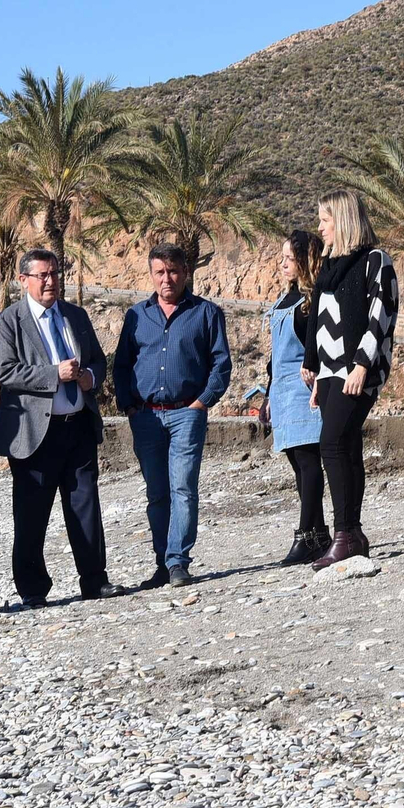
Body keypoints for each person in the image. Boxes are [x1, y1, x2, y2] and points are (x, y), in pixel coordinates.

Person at [0, 249, 122, 607]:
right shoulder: (8, 322)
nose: (50, 281)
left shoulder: (75, 316)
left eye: (54, 274)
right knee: (32, 513)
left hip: (76, 426)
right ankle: (32, 589)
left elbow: (97, 361)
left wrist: (88, 377)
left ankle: (94, 580)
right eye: (42, 276)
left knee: (86, 506)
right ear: (23, 280)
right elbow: (6, 371)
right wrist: (54, 374)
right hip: (33, 434)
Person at [112, 244, 232, 589]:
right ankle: (161, 563)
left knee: (183, 488)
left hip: (187, 415)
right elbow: (121, 365)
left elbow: (221, 363)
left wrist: (202, 402)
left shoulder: (206, 313)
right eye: (160, 273)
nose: (167, 279)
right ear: (152, 275)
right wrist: (129, 405)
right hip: (146, 418)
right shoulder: (137, 315)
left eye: (173, 271)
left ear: (186, 272)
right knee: (157, 493)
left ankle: (179, 562)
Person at [300, 190, 400, 569]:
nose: (320, 228)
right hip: (330, 375)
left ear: (342, 220)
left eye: (325, 220)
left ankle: (343, 534)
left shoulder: (376, 261)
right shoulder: (330, 267)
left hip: (357, 371)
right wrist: (317, 374)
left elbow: (381, 316)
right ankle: (354, 535)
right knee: (347, 448)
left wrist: (361, 365)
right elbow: (320, 323)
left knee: (332, 444)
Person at [263, 230, 329, 565]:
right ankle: (318, 532)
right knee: (296, 464)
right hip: (282, 391)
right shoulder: (284, 299)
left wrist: (312, 366)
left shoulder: (311, 302)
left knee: (308, 461)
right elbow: (275, 355)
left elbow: (322, 342)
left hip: (305, 391)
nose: (283, 264)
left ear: (304, 262)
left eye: (290, 258)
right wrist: (268, 395)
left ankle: (307, 535)